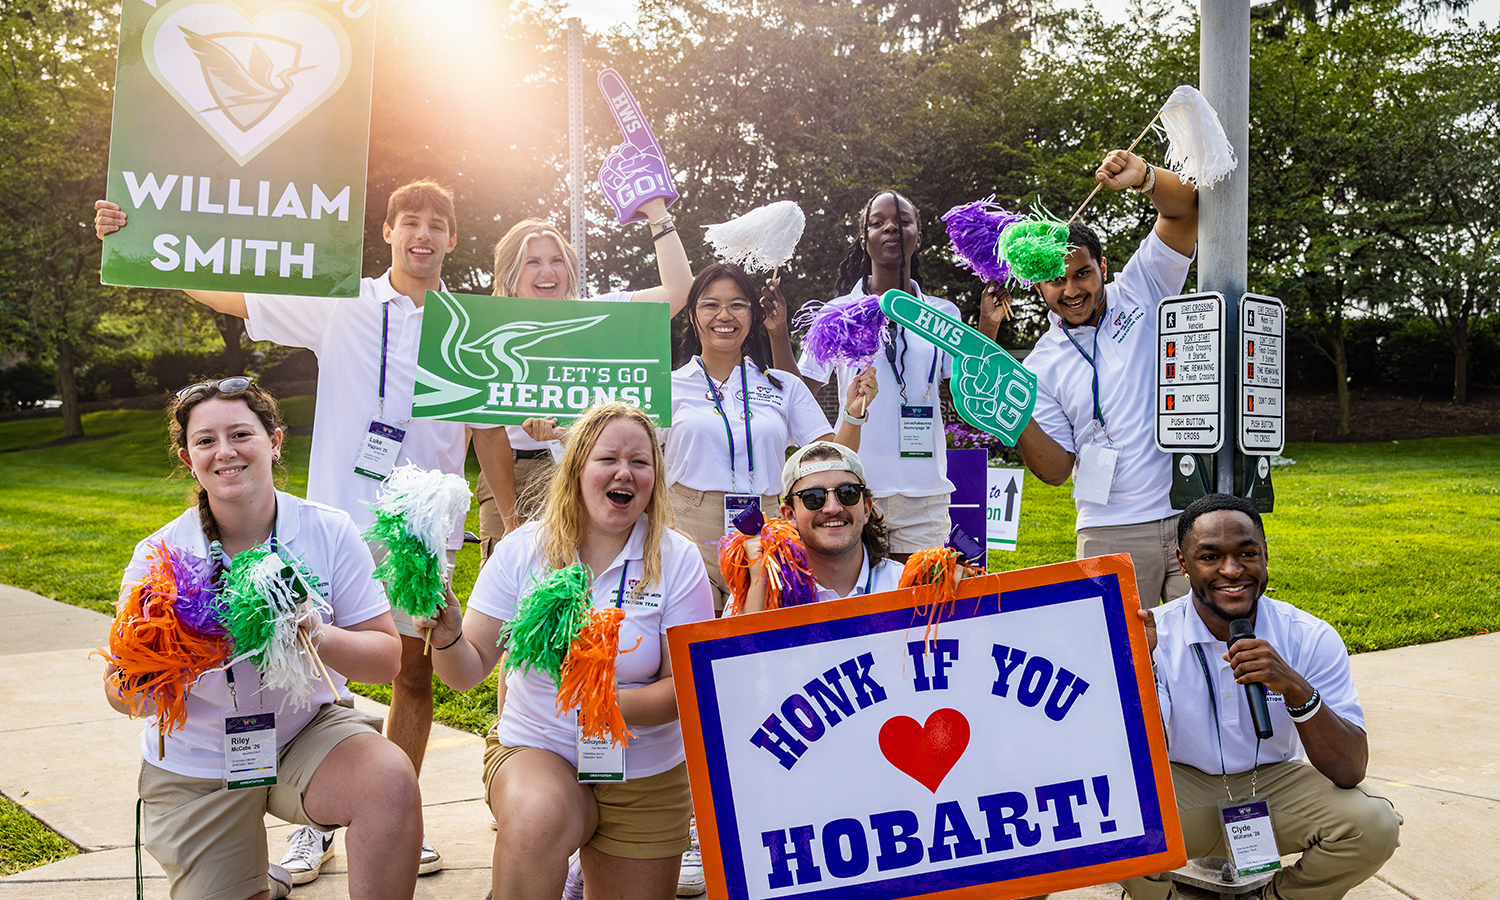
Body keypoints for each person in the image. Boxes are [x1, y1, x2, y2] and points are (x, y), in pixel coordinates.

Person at [93, 179, 502, 877]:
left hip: (422, 529)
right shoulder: (344, 299)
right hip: (339, 512)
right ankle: (313, 824)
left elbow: (489, 425)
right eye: (411, 222)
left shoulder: (470, 321)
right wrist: (135, 241)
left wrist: (513, 522)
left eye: (438, 224)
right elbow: (236, 293)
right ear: (389, 232)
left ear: (454, 239)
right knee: (309, 653)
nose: (423, 234)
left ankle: (392, 810)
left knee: (412, 672)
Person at [103, 377, 419, 900]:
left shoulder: (328, 530)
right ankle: (254, 879)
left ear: (274, 441)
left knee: (389, 780)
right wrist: (164, 663)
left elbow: (386, 659)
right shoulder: (158, 555)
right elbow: (120, 694)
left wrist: (312, 630)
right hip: (198, 760)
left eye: (241, 434)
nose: (224, 452)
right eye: (205, 441)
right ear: (188, 459)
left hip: (305, 731)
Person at [420, 402, 714, 900]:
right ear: (577, 466)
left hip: (645, 769)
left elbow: (686, 690)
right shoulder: (522, 551)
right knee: (536, 820)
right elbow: (466, 672)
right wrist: (447, 635)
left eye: (640, 462)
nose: (625, 471)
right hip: (540, 747)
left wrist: (596, 698)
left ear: (654, 477)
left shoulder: (678, 558)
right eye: (608, 459)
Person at [1124, 494, 1401, 899]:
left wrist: (1295, 687)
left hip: (1272, 785)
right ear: (1183, 565)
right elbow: (1124, 756)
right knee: (1116, 818)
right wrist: (1138, 668)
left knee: (1374, 823)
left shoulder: (1308, 635)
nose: (1232, 570)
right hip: (1181, 785)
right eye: (1210, 556)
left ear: (1266, 556)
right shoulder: (1152, 635)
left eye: (1247, 553)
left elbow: (1349, 769)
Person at [981, 149, 1198, 608]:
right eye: (1057, 281)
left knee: (1200, 661)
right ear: (1038, 285)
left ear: (1102, 265)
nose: (1073, 290)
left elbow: (1186, 210)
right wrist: (1011, 413)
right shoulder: (1039, 364)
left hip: (1188, 515)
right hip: (1108, 531)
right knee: (1127, 668)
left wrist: (1145, 177)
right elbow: (1057, 470)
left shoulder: (1141, 288)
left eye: (1083, 273)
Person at [474, 206, 692, 560]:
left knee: (581, 579)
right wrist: (511, 522)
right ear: (511, 273)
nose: (548, 272)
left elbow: (680, 290)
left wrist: (656, 212)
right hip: (512, 474)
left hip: (586, 467)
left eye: (557, 260)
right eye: (533, 262)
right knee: (509, 590)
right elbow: (486, 431)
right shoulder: (486, 327)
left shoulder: (601, 314)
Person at [793, 190, 959, 563]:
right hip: (854, 492)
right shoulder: (838, 313)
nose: (890, 228)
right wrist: (826, 444)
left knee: (922, 609)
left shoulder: (942, 313)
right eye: (877, 222)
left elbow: (968, 389)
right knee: (860, 608)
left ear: (918, 234)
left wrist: (989, 326)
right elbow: (800, 394)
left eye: (902, 222)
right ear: (863, 237)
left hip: (925, 494)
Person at [738, 442, 902, 613]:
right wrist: (760, 585)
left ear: (867, 509)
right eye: (813, 497)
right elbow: (741, 641)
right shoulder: (757, 593)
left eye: (847, 493)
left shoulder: (905, 586)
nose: (832, 508)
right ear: (790, 515)